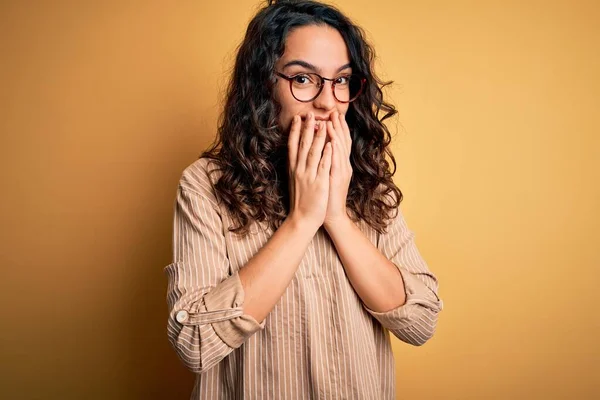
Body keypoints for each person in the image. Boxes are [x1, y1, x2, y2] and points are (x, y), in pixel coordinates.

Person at [164, 0, 443, 398]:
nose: (328, 102)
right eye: (302, 79)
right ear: (264, 84)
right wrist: (303, 219)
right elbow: (194, 342)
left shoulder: (368, 183)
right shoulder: (206, 185)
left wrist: (337, 218)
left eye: (342, 80)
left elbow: (420, 322)